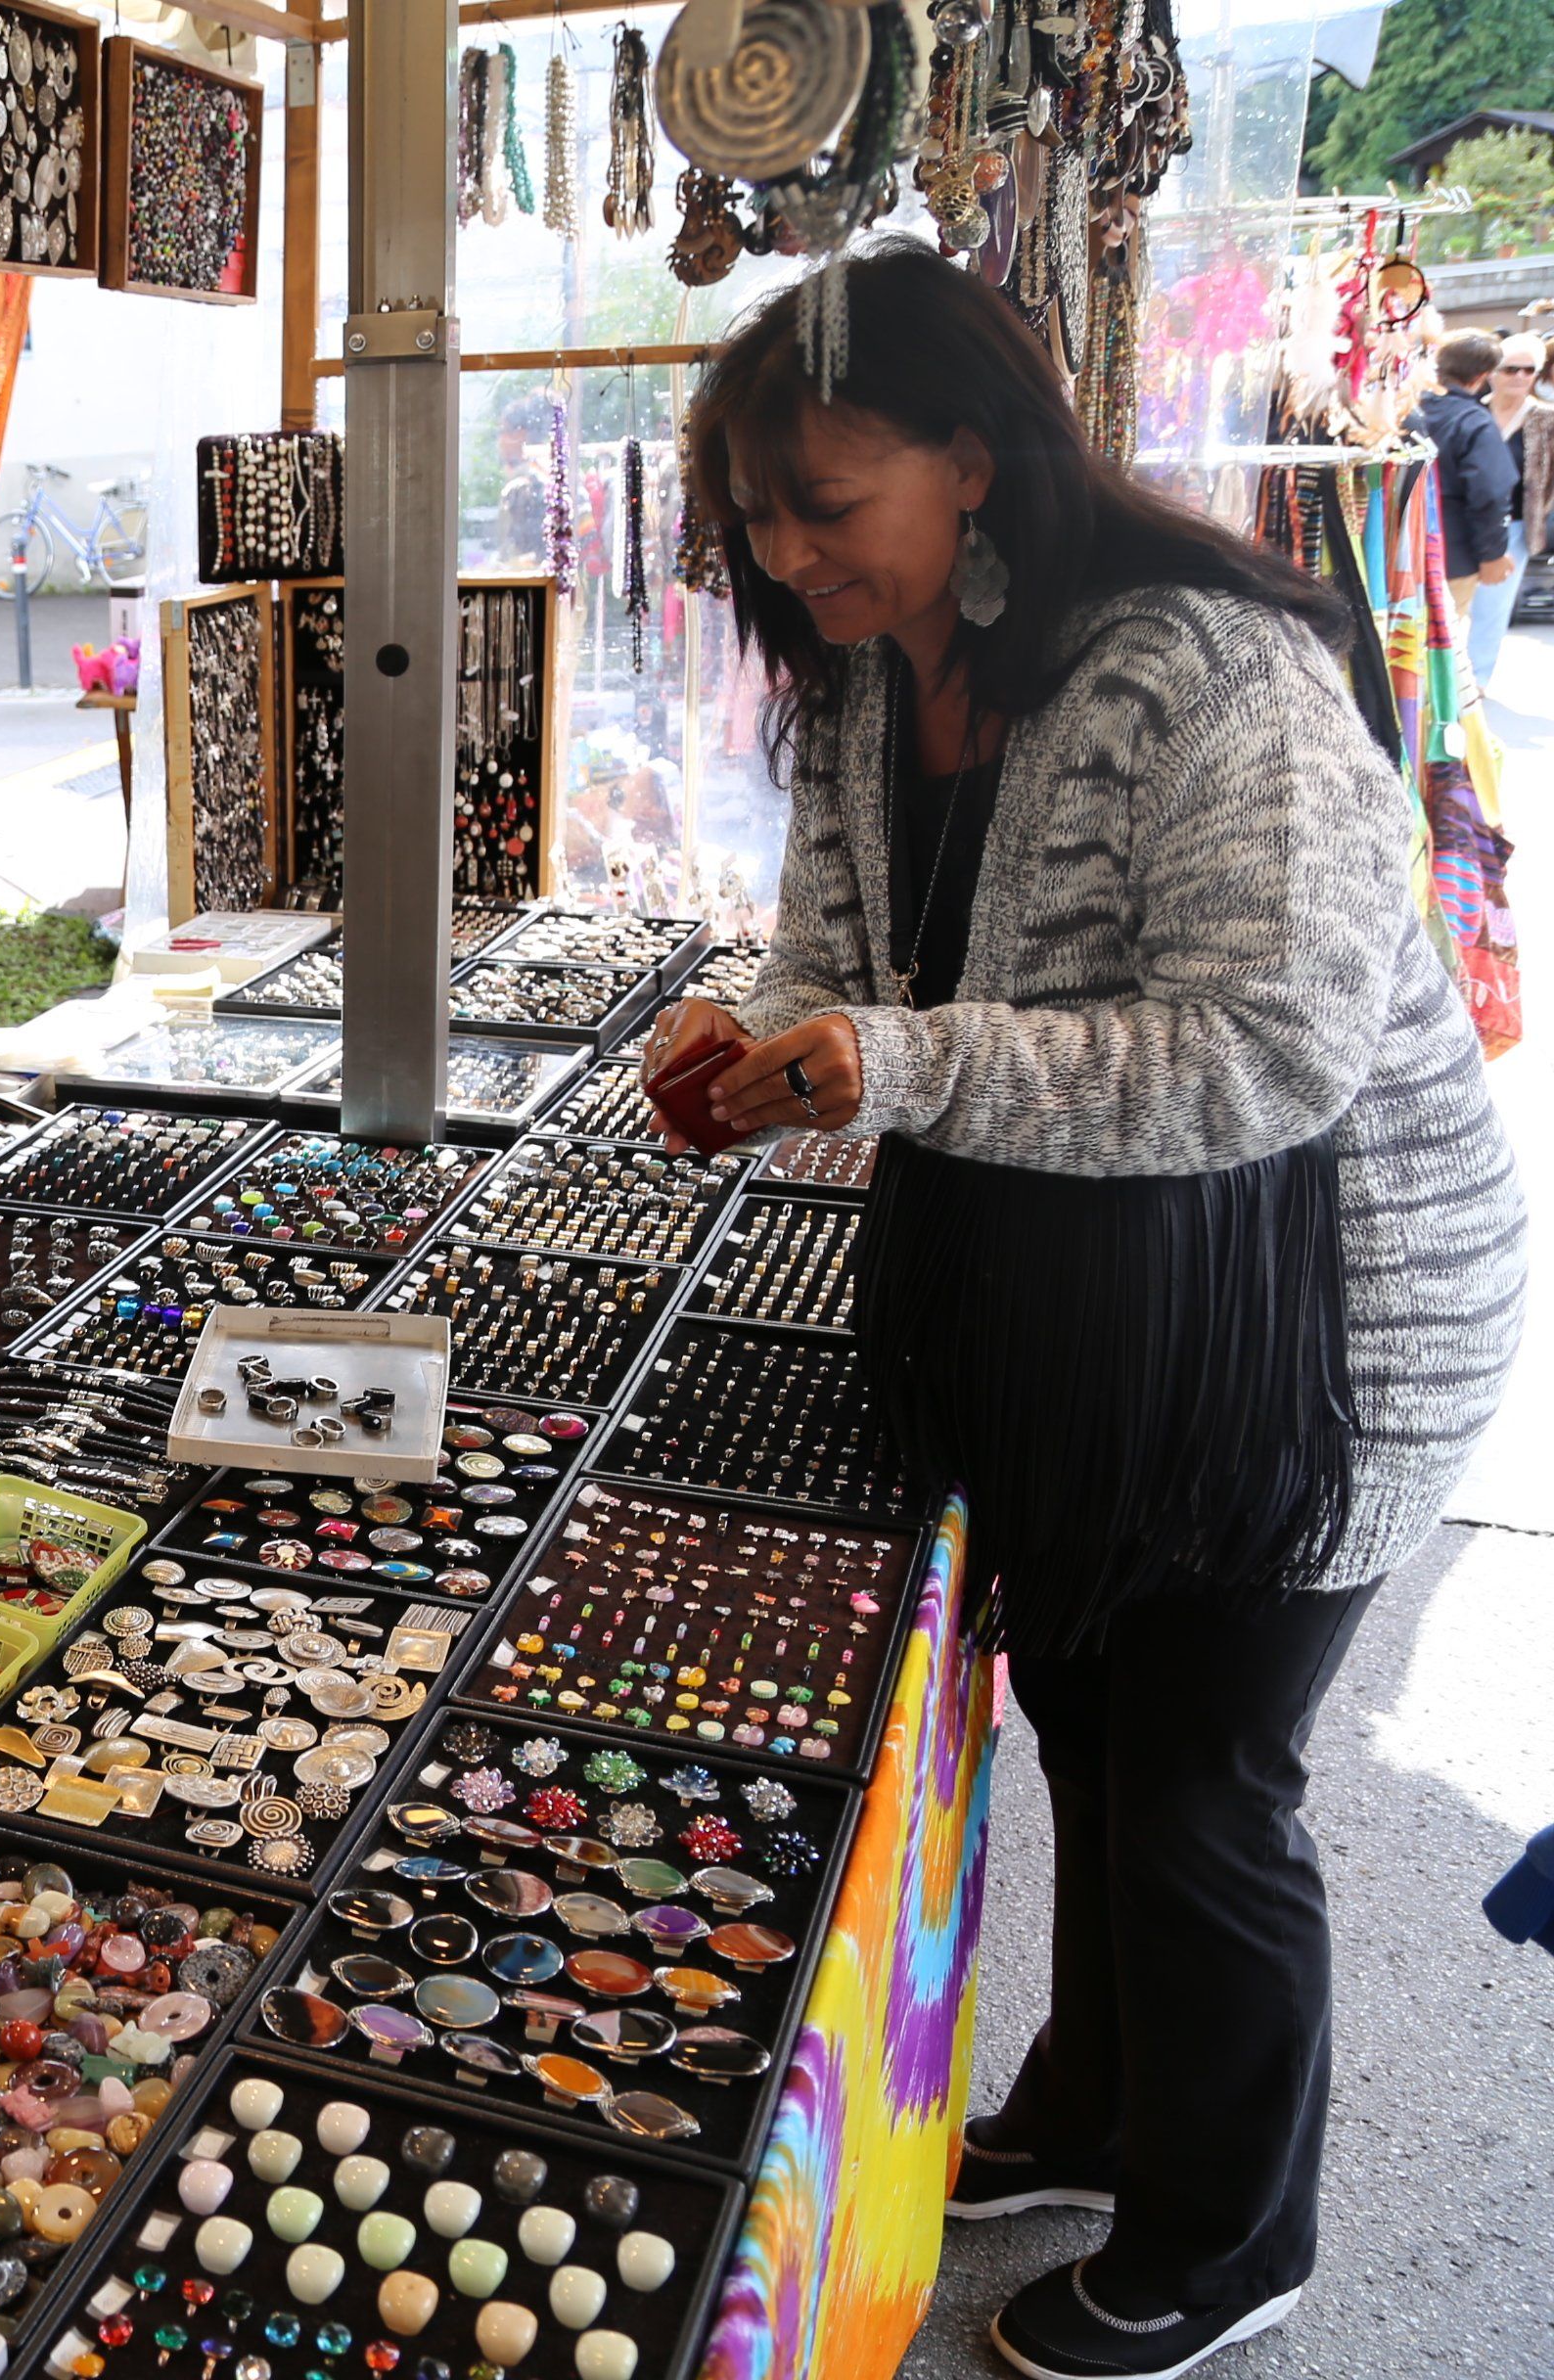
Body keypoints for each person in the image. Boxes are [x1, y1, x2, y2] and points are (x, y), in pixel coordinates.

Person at [649, 246, 1523, 2380]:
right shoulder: (873, 678)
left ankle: (1234, 2234)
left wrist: (895, 1062)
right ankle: (1099, 2109)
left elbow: (1265, 1049)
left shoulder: (1209, 671)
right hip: (1095, 1318)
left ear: (971, 462)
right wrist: (754, 1038)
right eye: (755, 517)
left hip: (1324, 1329)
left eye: (823, 506)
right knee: (1088, 1721)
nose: (787, 557)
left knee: (1202, 1779)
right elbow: (839, 945)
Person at [1413, 329, 1521, 686]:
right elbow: (1489, 492)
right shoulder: (1472, 420)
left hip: (1399, 547)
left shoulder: (1410, 411)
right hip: (1452, 553)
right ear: (1483, 376)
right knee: (1438, 646)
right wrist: (1492, 554)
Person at [1492, 331, 1549, 685]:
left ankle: (1477, 679)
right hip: (1467, 520)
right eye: (1511, 368)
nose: (1520, 376)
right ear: (1494, 372)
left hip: (1516, 521)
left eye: (1529, 370)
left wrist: (1542, 507)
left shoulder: (1546, 418)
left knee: (1496, 605)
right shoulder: (1476, 410)